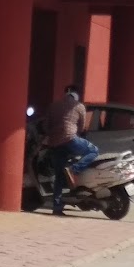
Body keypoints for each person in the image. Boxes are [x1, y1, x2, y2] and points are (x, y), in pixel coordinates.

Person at [45, 84, 99, 216]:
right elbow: (81, 127)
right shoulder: (79, 106)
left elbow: (46, 126)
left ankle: (57, 208)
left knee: (59, 176)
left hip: (55, 143)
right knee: (93, 151)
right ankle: (74, 169)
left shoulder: (53, 105)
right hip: (70, 139)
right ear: (76, 94)